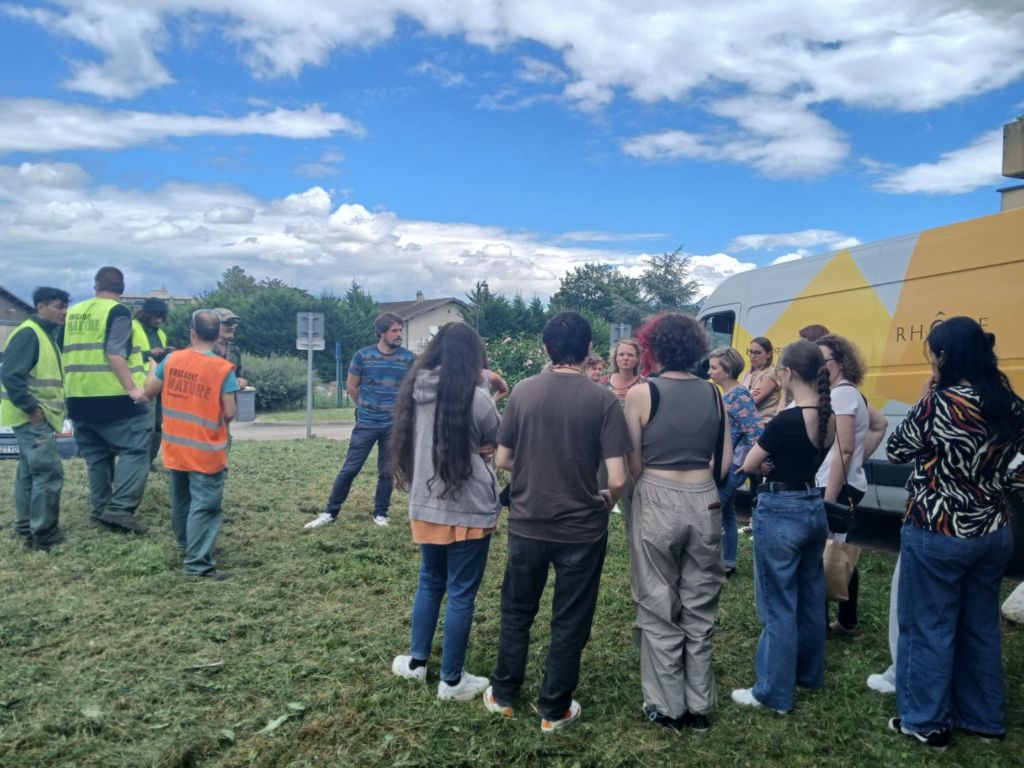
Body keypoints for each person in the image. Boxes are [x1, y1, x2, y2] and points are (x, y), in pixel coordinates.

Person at [483, 312, 632, 733]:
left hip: (529, 523)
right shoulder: (603, 400)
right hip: (582, 530)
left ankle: (505, 694)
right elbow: (618, 477)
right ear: (589, 351)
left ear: (545, 348)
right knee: (570, 619)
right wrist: (609, 498)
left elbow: (504, 459)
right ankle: (554, 709)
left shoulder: (525, 393)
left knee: (516, 610)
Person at [886, 317, 1024, 750]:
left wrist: (926, 395)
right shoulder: (1010, 402)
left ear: (945, 356)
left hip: (938, 526)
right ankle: (983, 719)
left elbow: (896, 449)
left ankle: (925, 721)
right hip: (994, 528)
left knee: (928, 624)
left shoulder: (940, 402)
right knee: (980, 625)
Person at [624, 314, 732, 733]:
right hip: (704, 497)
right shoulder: (714, 393)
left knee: (656, 602)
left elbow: (635, 463)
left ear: (652, 348)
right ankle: (699, 704)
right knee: (700, 602)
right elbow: (723, 463)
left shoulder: (641, 393)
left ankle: (668, 706)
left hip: (657, 494)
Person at [389, 323, 499, 701]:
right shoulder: (477, 397)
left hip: (425, 503)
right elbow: (498, 438)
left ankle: (417, 663)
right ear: (474, 356)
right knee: (462, 592)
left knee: (430, 581)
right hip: (469, 507)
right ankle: (451, 681)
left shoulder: (412, 390)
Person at [731, 339, 834, 715]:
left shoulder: (788, 419)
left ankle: (773, 692)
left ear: (788, 373)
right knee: (809, 598)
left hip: (780, 510)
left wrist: (764, 465)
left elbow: (750, 464)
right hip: (812, 504)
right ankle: (808, 673)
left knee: (778, 604)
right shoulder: (829, 415)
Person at [144, 309, 239, 580]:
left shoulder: (172, 360)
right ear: (215, 334)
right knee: (206, 504)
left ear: (192, 333)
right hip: (206, 449)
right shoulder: (222, 369)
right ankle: (198, 563)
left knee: (181, 499)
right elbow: (229, 412)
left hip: (175, 446)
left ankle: (187, 545)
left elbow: (150, 391)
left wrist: (153, 364)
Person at [305, 313, 415, 529]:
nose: (399, 334)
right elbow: (352, 387)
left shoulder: (408, 358)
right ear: (382, 332)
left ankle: (381, 514)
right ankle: (330, 512)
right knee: (350, 468)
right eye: (394, 330)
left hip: (393, 425)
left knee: (386, 471)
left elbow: (411, 389)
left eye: (401, 330)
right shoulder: (363, 355)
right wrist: (365, 406)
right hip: (366, 423)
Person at [63, 266, 150, 534]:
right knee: (137, 449)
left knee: (97, 457)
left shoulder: (73, 312)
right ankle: (120, 510)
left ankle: (100, 510)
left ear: (96, 285)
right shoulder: (118, 311)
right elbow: (115, 353)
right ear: (122, 289)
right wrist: (133, 389)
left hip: (77, 397)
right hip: (112, 397)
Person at [816, 334, 888, 638]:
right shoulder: (851, 392)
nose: (820, 367)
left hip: (834, 484)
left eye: (824, 361)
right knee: (839, 552)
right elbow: (880, 423)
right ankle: (847, 620)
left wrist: (829, 499)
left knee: (827, 552)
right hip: (848, 481)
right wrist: (860, 459)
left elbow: (843, 449)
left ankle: (829, 623)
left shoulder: (842, 395)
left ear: (841, 362)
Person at [0, 287, 69, 551]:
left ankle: (25, 526)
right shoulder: (31, 333)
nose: (63, 312)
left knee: (28, 474)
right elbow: (10, 375)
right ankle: (45, 535)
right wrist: (31, 408)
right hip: (31, 418)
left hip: (32, 417)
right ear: (41, 307)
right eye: (58, 306)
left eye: (64, 306)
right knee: (48, 474)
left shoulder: (43, 333)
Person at [708, 346, 763, 578]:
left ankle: (709, 562)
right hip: (726, 462)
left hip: (734, 464)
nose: (709, 370)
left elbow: (755, 432)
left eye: (713, 367)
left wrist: (748, 464)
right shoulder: (726, 394)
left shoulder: (739, 395)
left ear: (728, 370)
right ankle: (728, 563)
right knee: (728, 514)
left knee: (711, 510)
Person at [133, 297, 171, 465]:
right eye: (154, 316)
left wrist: (166, 354)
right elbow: (122, 354)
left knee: (157, 425)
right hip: (138, 385)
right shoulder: (132, 327)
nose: (158, 320)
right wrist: (148, 353)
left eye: (161, 317)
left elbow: (158, 360)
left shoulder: (161, 333)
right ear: (145, 314)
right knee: (144, 426)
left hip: (158, 384)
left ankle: (149, 462)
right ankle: (139, 462)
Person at [740, 337, 780, 424]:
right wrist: (748, 394)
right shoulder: (746, 374)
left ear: (768, 354)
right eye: (750, 352)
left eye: (757, 353)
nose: (752, 356)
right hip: (747, 423)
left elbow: (753, 401)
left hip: (764, 422)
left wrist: (742, 395)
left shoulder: (772, 372)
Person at [213, 308, 248, 390]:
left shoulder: (235, 350)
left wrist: (240, 380)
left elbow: (239, 375)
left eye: (233, 324)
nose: (232, 327)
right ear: (213, 325)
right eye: (227, 323)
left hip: (230, 400)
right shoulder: (203, 349)